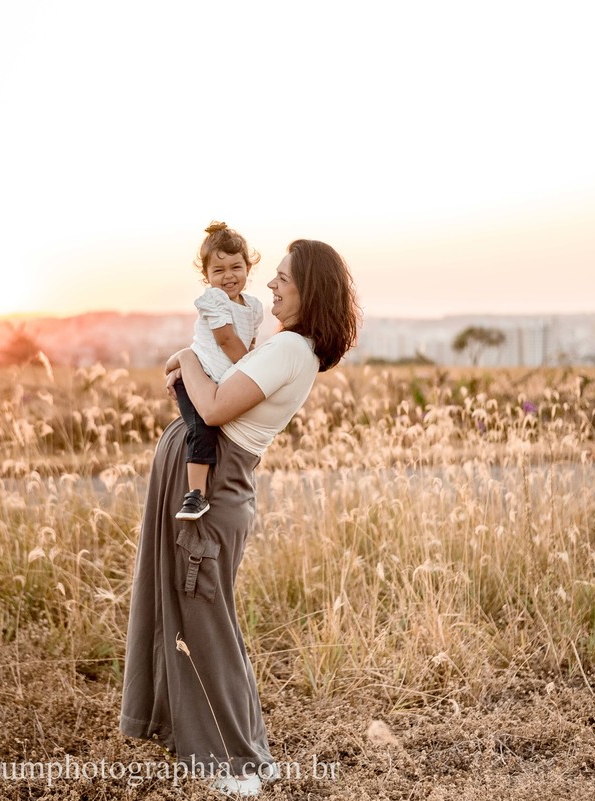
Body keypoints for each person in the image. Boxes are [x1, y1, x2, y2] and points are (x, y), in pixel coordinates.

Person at [119, 239, 361, 796]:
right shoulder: (285, 345)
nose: (269, 285)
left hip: (217, 485)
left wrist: (184, 360)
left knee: (205, 620)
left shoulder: (288, 352)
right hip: (210, 477)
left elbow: (212, 407)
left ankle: (238, 763)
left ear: (310, 291)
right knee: (198, 615)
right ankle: (234, 749)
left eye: (282, 279)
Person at [174, 221, 264, 522]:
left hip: (225, 382)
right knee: (202, 429)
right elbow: (226, 340)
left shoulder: (253, 306)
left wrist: (249, 366)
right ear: (206, 277)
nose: (228, 276)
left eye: (235, 267)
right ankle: (195, 496)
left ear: (248, 269)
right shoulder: (214, 300)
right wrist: (251, 372)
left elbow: (248, 344)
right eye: (218, 270)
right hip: (198, 379)